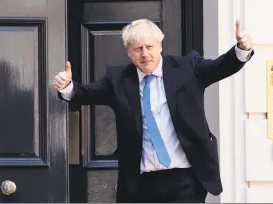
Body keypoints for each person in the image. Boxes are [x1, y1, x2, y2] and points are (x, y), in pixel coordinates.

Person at [53, 19, 254, 203]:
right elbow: (86, 93)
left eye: (149, 47)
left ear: (160, 46)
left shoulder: (186, 68)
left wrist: (241, 49)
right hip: (141, 183)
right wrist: (67, 86)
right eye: (137, 49)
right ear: (128, 53)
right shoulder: (118, 79)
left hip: (185, 179)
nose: (145, 54)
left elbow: (221, 67)